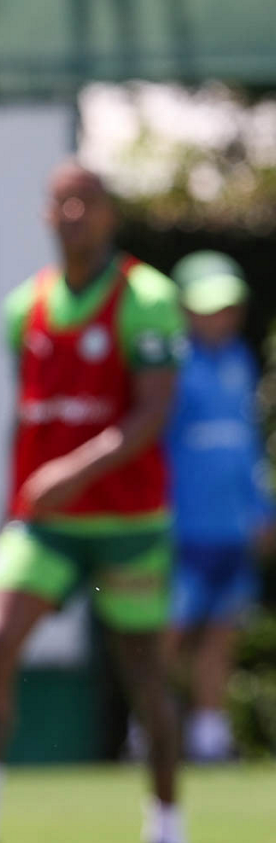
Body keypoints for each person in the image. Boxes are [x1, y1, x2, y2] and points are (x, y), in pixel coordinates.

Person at [0, 160, 187, 843]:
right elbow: (30, 420)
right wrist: (15, 509)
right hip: (44, 523)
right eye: (61, 202)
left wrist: (74, 471)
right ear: (46, 214)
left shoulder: (147, 298)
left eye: (86, 201)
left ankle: (167, 837)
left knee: (143, 672)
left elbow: (153, 412)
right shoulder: (25, 307)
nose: (73, 214)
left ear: (109, 214)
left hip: (128, 520)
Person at [163, 251, 275, 762]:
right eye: (208, 307)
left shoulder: (240, 360)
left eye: (228, 307)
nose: (220, 318)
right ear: (183, 308)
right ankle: (150, 730)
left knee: (222, 634)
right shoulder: (169, 365)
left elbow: (248, 447)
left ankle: (209, 735)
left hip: (234, 529)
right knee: (170, 633)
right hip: (181, 529)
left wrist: (262, 512)